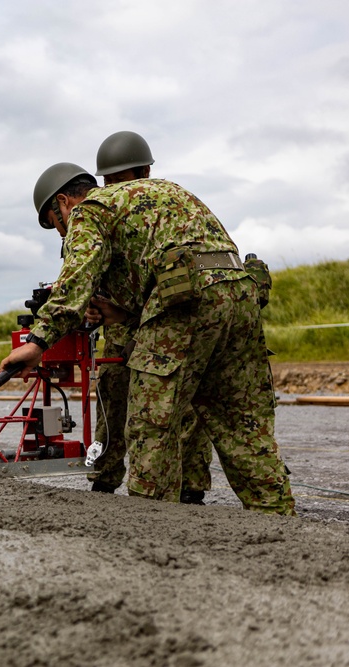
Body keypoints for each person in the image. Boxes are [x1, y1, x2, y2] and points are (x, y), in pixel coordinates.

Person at [2, 162, 295, 516]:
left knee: (151, 429)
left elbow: (76, 278)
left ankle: (154, 530)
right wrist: (125, 314)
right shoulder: (165, 191)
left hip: (186, 310)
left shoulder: (89, 211)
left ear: (64, 203)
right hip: (241, 298)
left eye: (58, 225)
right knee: (244, 429)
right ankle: (280, 521)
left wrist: (37, 341)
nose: (64, 234)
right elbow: (180, 268)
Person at [86, 131, 208, 505]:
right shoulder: (170, 205)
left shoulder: (125, 211)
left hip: (157, 323)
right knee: (136, 402)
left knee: (159, 409)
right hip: (138, 326)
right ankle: (112, 478)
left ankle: (181, 487)